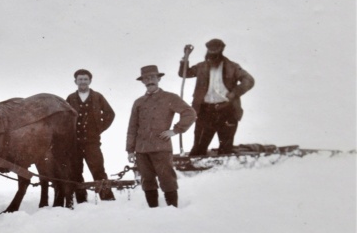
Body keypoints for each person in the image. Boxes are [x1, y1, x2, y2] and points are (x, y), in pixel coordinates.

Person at [126, 65, 197, 208]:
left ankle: (172, 209)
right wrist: (130, 150)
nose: (149, 81)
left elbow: (190, 113)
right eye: (146, 78)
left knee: (167, 179)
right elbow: (132, 127)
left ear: (158, 79)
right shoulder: (138, 102)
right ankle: (153, 210)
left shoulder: (170, 98)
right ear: (143, 82)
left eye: (152, 77)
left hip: (161, 147)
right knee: (147, 181)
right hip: (141, 149)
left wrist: (176, 130)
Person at [179, 39, 255, 157]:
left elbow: (249, 80)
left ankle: (223, 173)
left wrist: (235, 93)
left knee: (225, 149)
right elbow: (184, 73)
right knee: (198, 148)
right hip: (205, 111)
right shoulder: (201, 67)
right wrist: (185, 57)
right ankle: (194, 172)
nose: (212, 52)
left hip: (227, 111)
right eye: (210, 49)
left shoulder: (232, 67)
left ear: (221, 50)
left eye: (215, 50)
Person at [65, 69, 116, 202]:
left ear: (90, 81)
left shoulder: (98, 97)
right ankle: (82, 201)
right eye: (80, 79)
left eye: (85, 79)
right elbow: (64, 118)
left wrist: (98, 129)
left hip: (92, 142)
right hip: (74, 142)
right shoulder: (70, 98)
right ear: (75, 81)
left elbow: (110, 114)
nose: (83, 82)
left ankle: (107, 200)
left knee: (98, 169)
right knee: (75, 171)